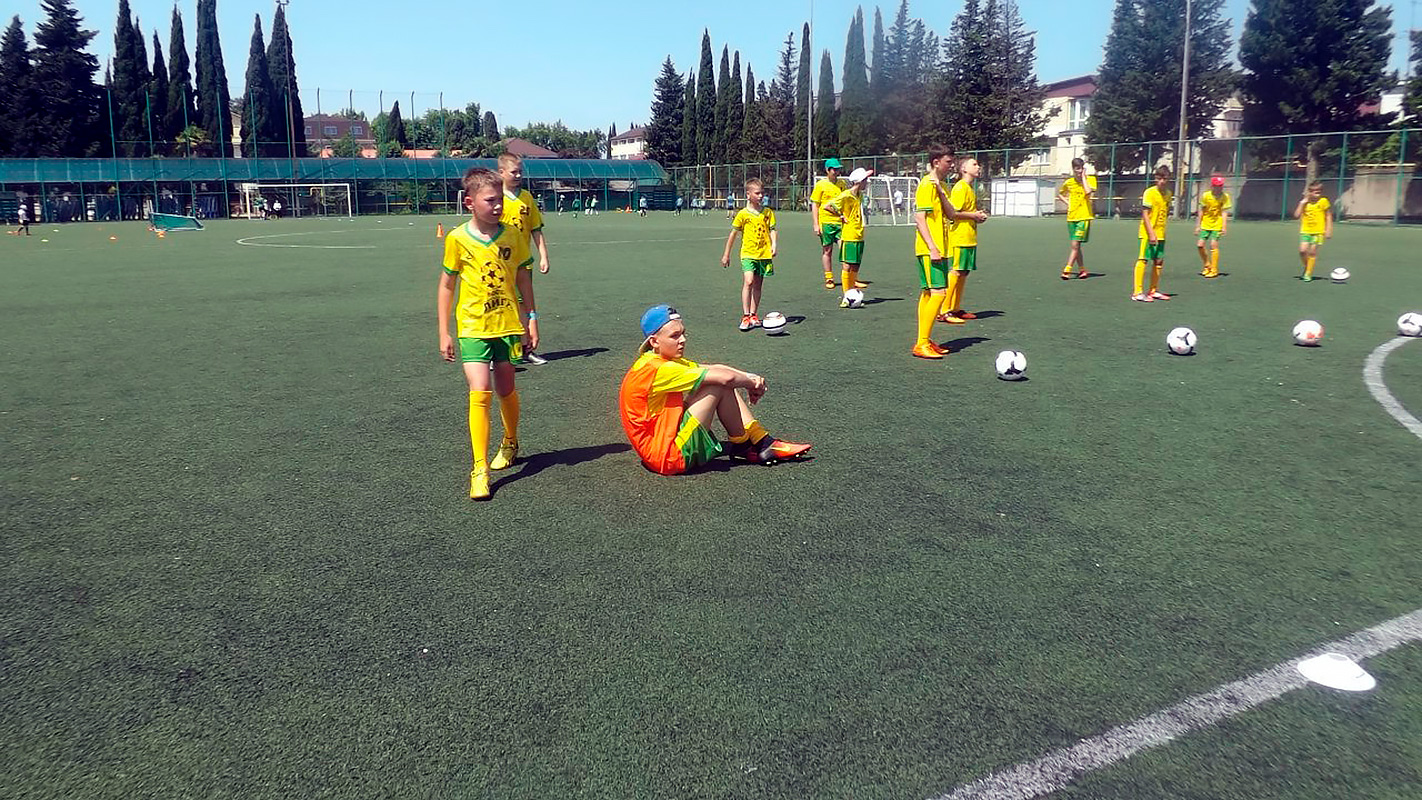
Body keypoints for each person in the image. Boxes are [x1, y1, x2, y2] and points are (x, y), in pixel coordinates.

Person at [619, 304, 811, 475]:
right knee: (718, 384)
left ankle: (759, 440)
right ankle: (748, 445)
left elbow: (714, 369)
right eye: (675, 336)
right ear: (654, 342)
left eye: (683, 333)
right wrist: (751, 383)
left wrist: (752, 377)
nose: (683, 340)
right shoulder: (658, 369)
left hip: (663, 444)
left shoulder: (656, 361)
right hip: (668, 457)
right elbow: (724, 377)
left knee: (718, 380)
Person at [436, 167, 533, 500]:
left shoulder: (513, 236)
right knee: (480, 390)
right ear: (470, 203)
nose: (498, 206)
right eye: (490, 200)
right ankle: (480, 469)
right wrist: (444, 331)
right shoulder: (457, 238)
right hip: (472, 326)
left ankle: (510, 441)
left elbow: (523, 278)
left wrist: (531, 317)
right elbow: (446, 285)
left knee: (506, 388)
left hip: (507, 325)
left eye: (499, 200)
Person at [497, 153, 552, 366]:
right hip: (499, 263)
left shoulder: (527, 198)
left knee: (524, 306)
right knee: (500, 304)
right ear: (501, 172)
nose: (519, 175)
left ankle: (526, 349)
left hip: (523, 263)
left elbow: (536, 229)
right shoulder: (495, 197)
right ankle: (497, 353)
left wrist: (543, 256)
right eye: (514, 172)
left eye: (520, 172)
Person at [911, 144, 958, 359]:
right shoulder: (926, 185)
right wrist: (932, 247)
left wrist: (940, 190)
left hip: (939, 247)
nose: (952, 165)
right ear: (936, 162)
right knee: (939, 293)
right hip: (931, 248)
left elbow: (951, 213)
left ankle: (925, 340)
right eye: (948, 162)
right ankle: (921, 343)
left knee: (928, 293)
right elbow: (919, 218)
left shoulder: (940, 185)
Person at [721, 178, 778, 331]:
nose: (761, 196)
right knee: (749, 281)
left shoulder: (768, 212)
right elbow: (733, 234)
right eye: (757, 193)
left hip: (764, 254)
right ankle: (746, 316)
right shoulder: (742, 214)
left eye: (762, 193)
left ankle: (754, 314)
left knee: (758, 285)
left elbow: (772, 230)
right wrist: (726, 254)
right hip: (748, 253)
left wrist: (774, 244)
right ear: (748, 195)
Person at [943, 156, 990, 323]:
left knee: (964, 272)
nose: (978, 167)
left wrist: (977, 217)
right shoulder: (960, 187)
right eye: (974, 164)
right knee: (956, 271)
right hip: (960, 237)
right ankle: (944, 310)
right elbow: (953, 213)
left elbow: (966, 212)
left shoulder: (969, 188)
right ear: (963, 169)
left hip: (969, 237)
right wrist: (973, 215)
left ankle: (955, 308)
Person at [824, 167, 875, 307]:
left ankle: (852, 294)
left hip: (859, 234)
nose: (867, 182)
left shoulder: (859, 195)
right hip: (849, 235)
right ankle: (846, 297)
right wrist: (841, 216)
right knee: (847, 265)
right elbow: (828, 206)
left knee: (855, 265)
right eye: (865, 180)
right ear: (859, 181)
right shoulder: (846, 195)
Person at [1132, 165, 1173, 302]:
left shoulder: (1168, 194)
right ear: (1155, 178)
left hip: (1161, 232)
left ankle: (1153, 291)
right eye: (1159, 178)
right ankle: (1137, 292)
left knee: (1159, 260)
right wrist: (1151, 233)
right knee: (1143, 259)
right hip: (1148, 232)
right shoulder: (1149, 192)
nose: (1161, 181)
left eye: (1164, 179)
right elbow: (1145, 214)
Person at [811, 158, 849, 289]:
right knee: (827, 251)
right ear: (828, 170)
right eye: (834, 169)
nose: (837, 172)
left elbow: (845, 201)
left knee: (844, 250)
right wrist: (816, 224)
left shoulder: (842, 184)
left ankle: (848, 277)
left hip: (840, 223)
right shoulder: (820, 185)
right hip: (826, 223)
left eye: (838, 169)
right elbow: (815, 205)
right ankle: (829, 278)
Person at [1057, 157, 1095, 279]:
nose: (1079, 171)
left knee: (1075, 245)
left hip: (1084, 217)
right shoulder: (1069, 182)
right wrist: (1068, 203)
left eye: (1081, 168)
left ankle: (1067, 270)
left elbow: (1088, 192)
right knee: (1076, 246)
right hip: (1071, 217)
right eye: (1077, 169)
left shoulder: (1090, 180)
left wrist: (1083, 177)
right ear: (1073, 169)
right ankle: (1082, 270)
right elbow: (1060, 194)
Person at [1295, 181, 1333, 281]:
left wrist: (1329, 229)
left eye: (1319, 191)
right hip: (1306, 230)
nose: (1317, 193)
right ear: (1309, 192)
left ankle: (1308, 273)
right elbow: (1296, 215)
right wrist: (1302, 203)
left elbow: (1328, 216)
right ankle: (1308, 267)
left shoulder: (1323, 201)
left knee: (1312, 251)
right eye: (1315, 191)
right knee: (1302, 251)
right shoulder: (1305, 203)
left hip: (1318, 231)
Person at [1195, 173, 1230, 278]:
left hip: (1217, 224)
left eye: (1221, 185)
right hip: (1206, 224)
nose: (1219, 188)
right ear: (1212, 186)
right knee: (1200, 245)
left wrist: (1224, 226)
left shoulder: (1225, 197)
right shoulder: (1206, 196)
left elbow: (1224, 212)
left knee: (1213, 245)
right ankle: (1207, 265)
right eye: (1217, 186)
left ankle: (1214, 270)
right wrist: (1198, 225)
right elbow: (1201, 211)